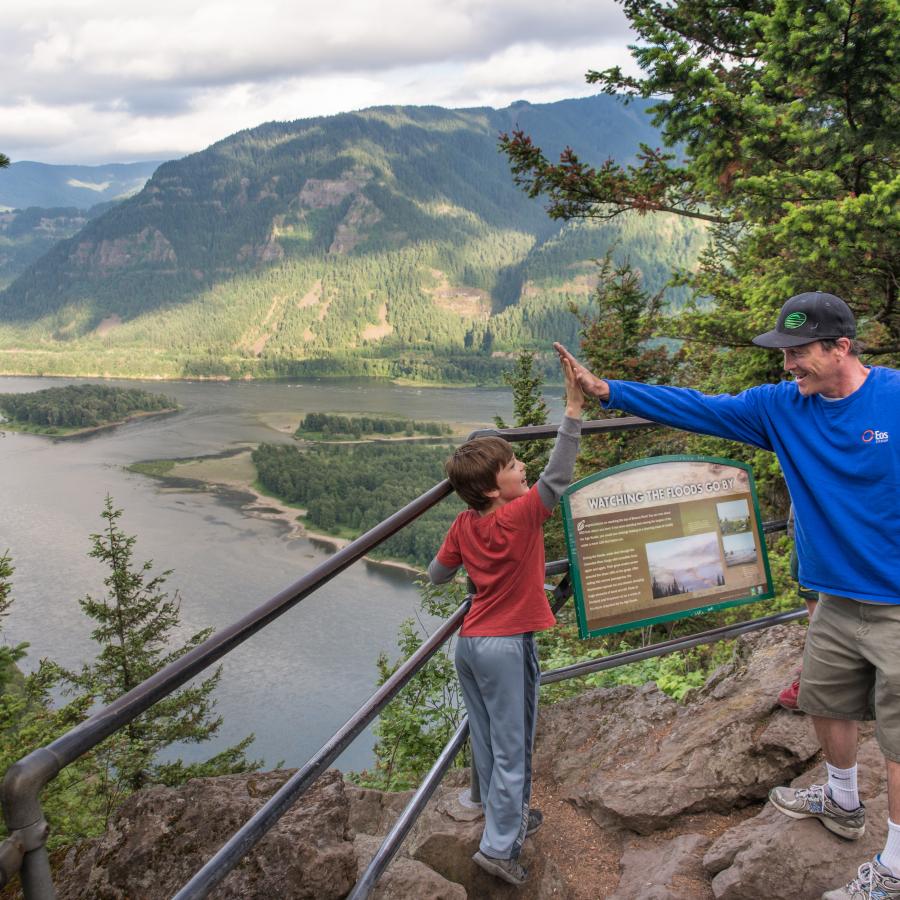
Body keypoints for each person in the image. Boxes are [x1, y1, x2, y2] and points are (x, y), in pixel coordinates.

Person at [554, 291, 900, 900]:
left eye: (799, 354)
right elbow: (699, 407)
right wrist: (610, 390)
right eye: (784, 355)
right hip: (835, 597)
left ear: (840, 347)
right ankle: (844, 800)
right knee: (826, 700)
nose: (788, 366)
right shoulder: (782, 408)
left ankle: (895, 869)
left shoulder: (895, 399)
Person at [428, 354, 585, 886]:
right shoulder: (521, 515)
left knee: (486, 734)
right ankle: (499, 847)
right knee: (514, 744)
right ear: (497, 488)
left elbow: (436, 575)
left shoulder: (463, 523)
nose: (524, 469)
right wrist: (573, 410)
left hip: (470, 644)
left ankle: (491, 808)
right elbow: (559, 476)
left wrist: (472, 564)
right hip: (505, 645)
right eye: (514, 465)